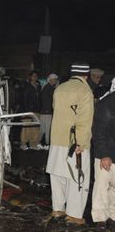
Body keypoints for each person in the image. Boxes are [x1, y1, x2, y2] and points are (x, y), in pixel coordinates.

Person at [46, 62, 94, 225]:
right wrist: (81, 142)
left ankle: (58, 209)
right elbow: (85, 119)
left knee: (58, 175)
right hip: (74, 142)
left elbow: (56, 109)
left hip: (57, 138)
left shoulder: (60, 88)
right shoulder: (84, 90)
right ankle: (74, 215)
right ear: (86, 75)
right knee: (77, 178)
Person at [91, 81, 115, 230]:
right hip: (106, 154)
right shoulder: (106, 103)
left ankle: (113, 216)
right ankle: (100, 218)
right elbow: (99, 131)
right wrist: (105, 154)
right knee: (102, 187)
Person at [20, 70, 42, 150]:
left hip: (37, 109)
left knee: (36, 128)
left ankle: (33, 144)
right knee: (26, 128)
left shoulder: (38, 86)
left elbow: (39, 98)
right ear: (30, 77)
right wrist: (26, 111)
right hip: (28, 110)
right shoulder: (26, 86)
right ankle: (23, 144)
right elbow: (23, 99)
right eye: (33, 76)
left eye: (36, 76)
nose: (35, 77)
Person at [38, 73, 58, 150]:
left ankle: (39, 143)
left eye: (56, 79)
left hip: (43, 111)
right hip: (47, 111)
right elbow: (50, 101)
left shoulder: (45, 87)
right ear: (50, 80)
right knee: (47, 129)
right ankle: (47, 144)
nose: (55, 81)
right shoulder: (50, 88)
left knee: (42, 129)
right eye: (54, 79)